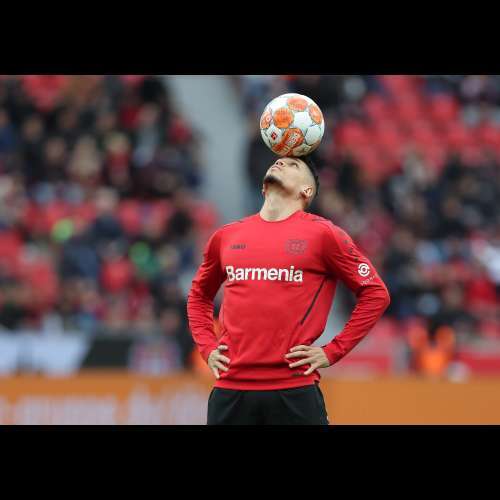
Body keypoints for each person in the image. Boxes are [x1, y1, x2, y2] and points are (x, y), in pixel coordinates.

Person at [186, 156, 391, 425]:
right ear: (263, 187)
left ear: (306, 191)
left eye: (293, 165)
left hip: (294, 389)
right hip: (230, 389)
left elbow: (375, 293)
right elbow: (199, 295)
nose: (281, 163)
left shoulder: (324, 235)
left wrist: (333, 350)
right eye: (278, 162)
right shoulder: (226, 236)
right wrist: (207, 347)